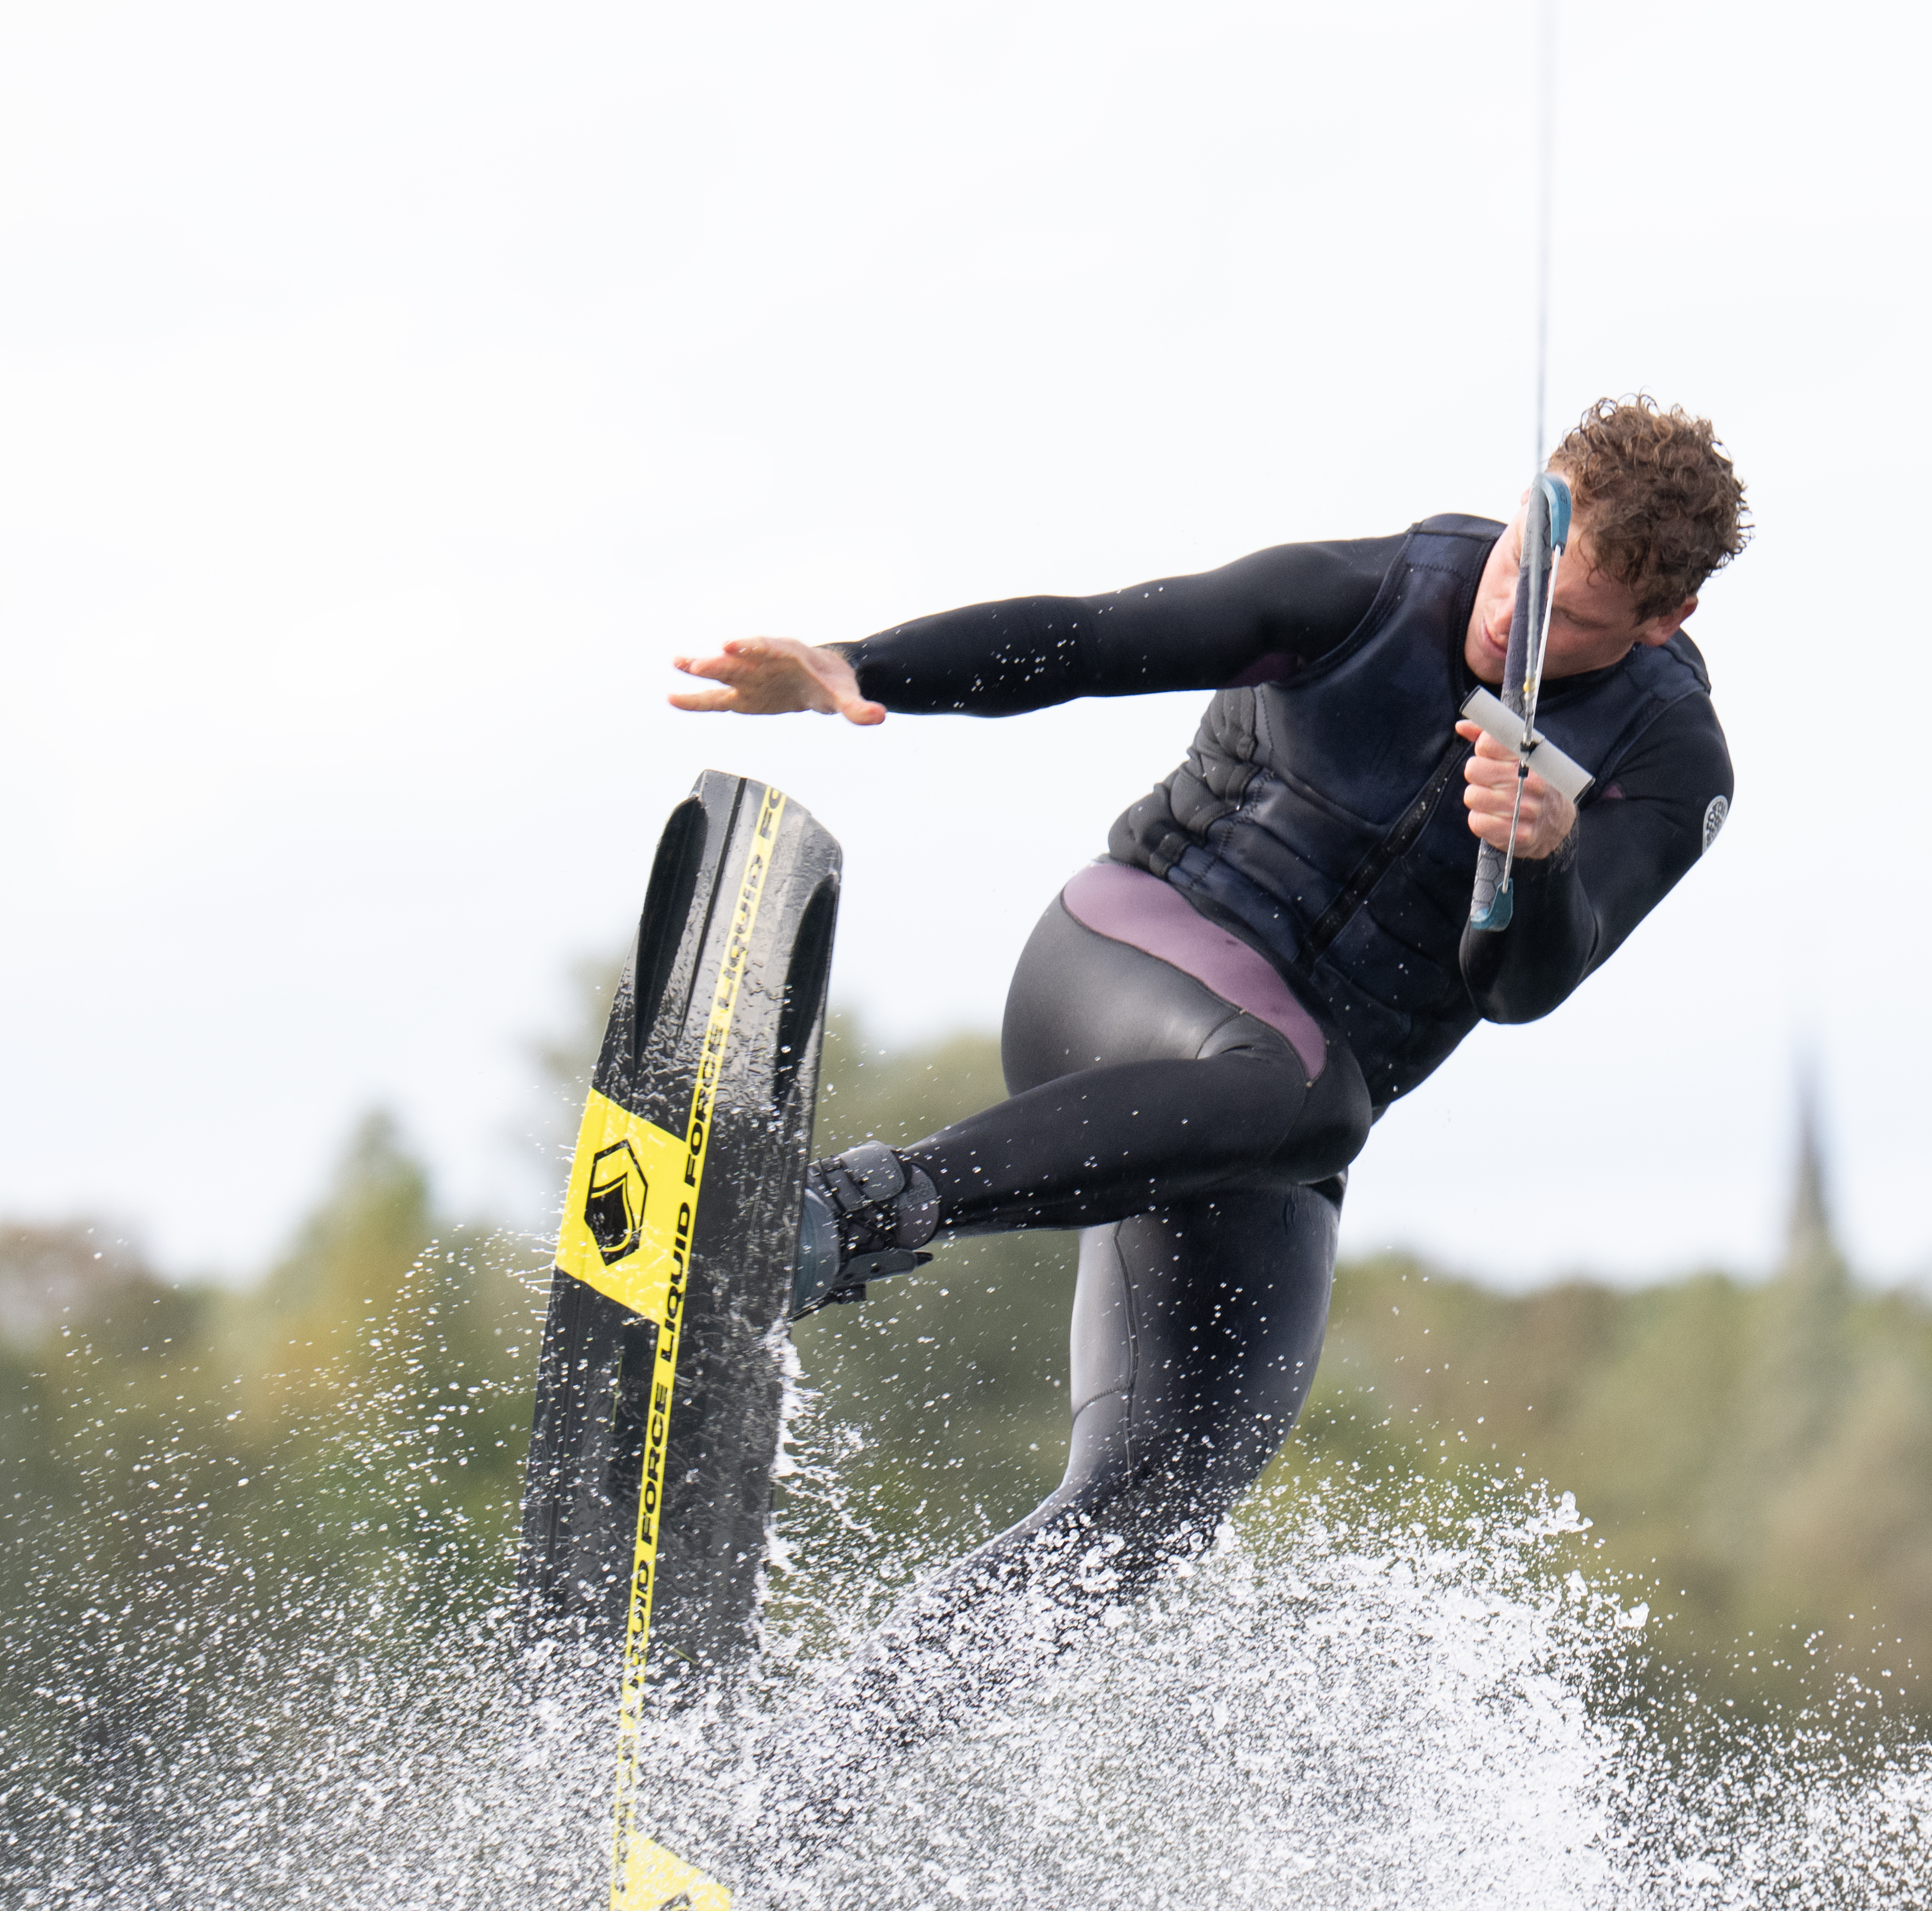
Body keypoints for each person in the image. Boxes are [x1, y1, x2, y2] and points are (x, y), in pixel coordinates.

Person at [667, 395, 1746, 1685]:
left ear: (1659, 623)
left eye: (1567, 621)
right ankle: (842, 1211)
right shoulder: (1368, 593)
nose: (1513, 621)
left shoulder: (1667, 757)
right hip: (1120, 973)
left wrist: (1541, 858)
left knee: (1151, 1508)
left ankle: (806, 1782)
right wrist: (861, 662)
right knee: (1304, 1093)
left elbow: (1519, 989)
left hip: (1274, 1126)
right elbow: (1096, 636)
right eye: (1521, 567)